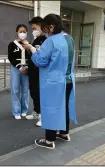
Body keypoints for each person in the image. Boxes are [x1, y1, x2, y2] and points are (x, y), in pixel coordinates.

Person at [23, 14, 77, 149]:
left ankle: (49, 140)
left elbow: (41, 61)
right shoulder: (69, 38)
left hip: (54, 82)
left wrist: (32, 49)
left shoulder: (51, 41)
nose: (44, 32)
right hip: (68, 80)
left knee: (51, 109)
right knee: (64, 107)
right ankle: (64, 133)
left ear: (51, 27)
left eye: (45, 28)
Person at [25, 17, 47, 128]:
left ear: (42, 26)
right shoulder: (36, 39)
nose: (33, 30)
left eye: (35, 27)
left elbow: (43, 57)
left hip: (41, 72)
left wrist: (32, 49)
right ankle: (36, 112)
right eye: (32, 28)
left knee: (40, 94)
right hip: (33, 71)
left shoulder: (46, 40)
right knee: (33, 92)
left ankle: (43, 116)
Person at [8, 24, 31, 120]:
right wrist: (18, 66)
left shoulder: (28, 44)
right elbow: (10, 57)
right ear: (17, 32)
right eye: (20, 31)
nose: (22, 33)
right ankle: (16, 111)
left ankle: (24, 110)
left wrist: (27, 66)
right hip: (16, 68)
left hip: (26, 68)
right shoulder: (12, 44)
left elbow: (31, 56)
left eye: (24, 31)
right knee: (15, 89)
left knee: (25, 90)